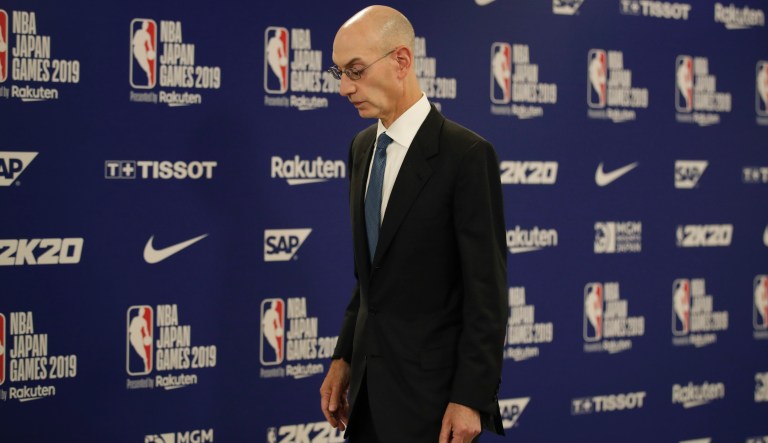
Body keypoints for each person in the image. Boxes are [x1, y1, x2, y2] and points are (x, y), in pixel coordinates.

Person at [319, 6, 507, 443]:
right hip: (365, 397)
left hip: (433, 404)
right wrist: (344, 357)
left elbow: (487, 294)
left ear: (401, 61)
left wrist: (471, 398)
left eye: (356, 71)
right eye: (340, 73)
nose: (344, 87)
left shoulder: (465, 155)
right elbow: (371, 278)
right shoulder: (362, 148)